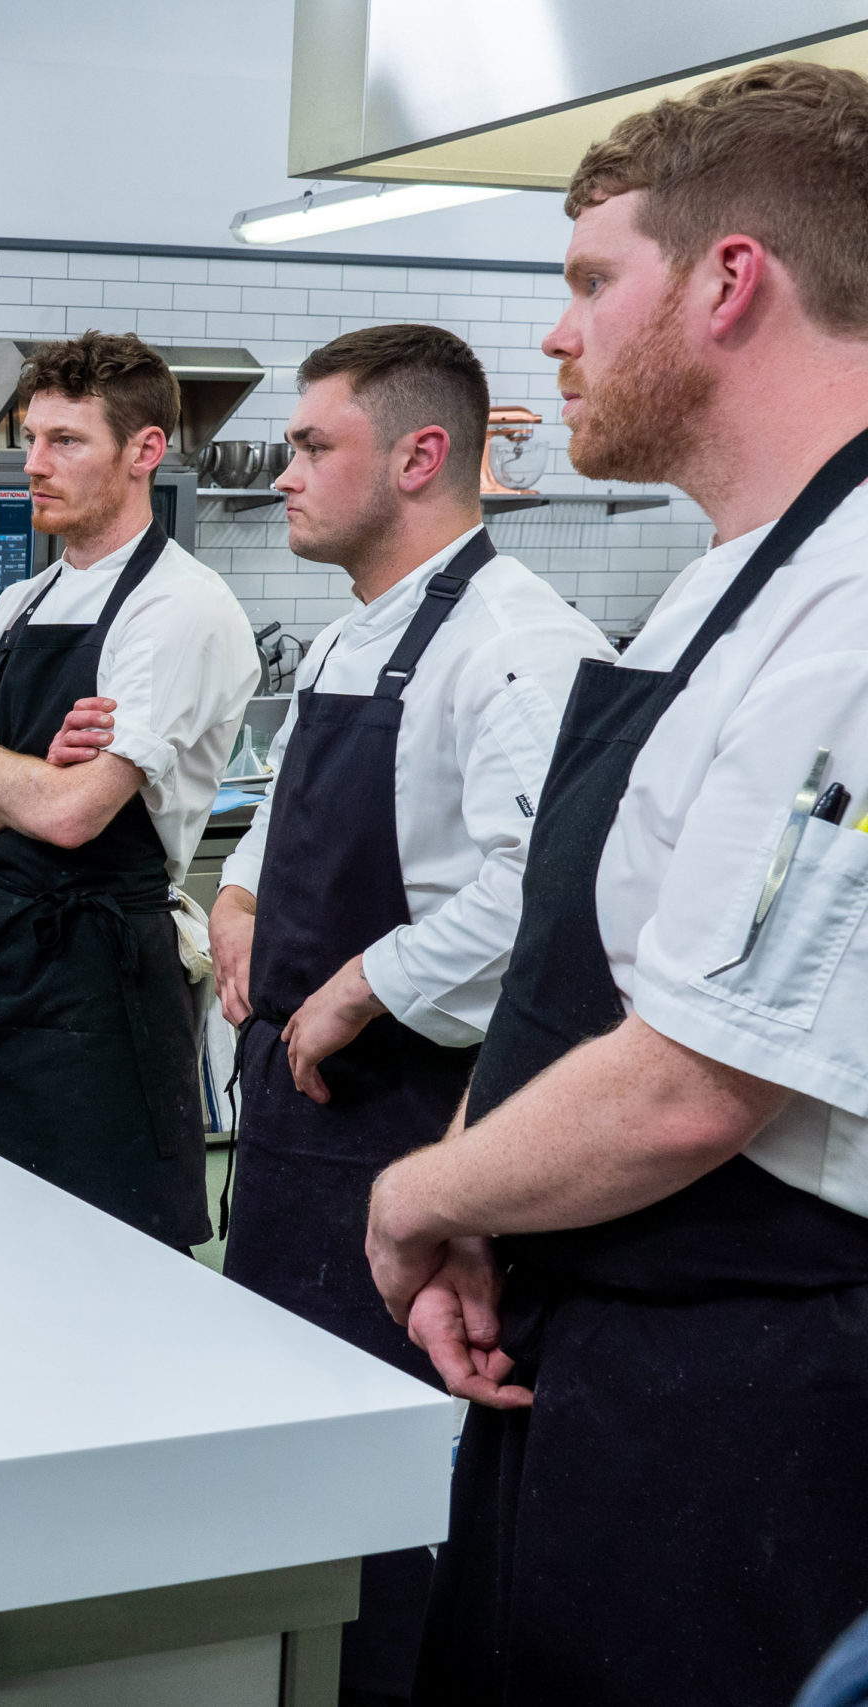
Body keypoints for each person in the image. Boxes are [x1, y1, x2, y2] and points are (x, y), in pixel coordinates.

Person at [358, 64, 868, 1707]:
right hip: (606, 1343)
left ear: (731, 282)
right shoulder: (730, 577)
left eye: (588, 281)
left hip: (755, 1399)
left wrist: (419, 1196)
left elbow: (693, 1084)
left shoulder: (855, 613)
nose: (558, 338)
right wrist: (491, 1185)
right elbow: (605, 978)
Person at [184, 324, 609, 1706]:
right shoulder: (349, 633)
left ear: (420, 455)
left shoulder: (520, 647)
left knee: (389, 1489)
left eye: (315, 446)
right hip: (298, 1130)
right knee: (286, 1445)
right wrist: (240, 902)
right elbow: (285, 803)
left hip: (416, 1132)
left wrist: (365, 986)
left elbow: (537, 893)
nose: (290, 473)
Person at [0, 331, 259, 1250]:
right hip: (6, 958)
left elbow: (72, 815)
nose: (35, 465)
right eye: (31, 438)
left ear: (145, 450)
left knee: (115, 1250)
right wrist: (30, 765)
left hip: (107, 976)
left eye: (67, 440)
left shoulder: (177, 608)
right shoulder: (18, 605)